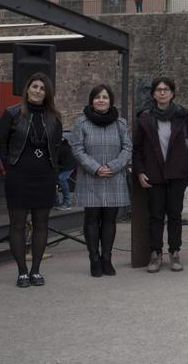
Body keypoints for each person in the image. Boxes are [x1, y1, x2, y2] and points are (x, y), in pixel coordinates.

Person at [0, 73, 63, 288]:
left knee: (41, 223)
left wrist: (54, 170)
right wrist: (11, 166)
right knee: (17, 223)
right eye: (34, 86)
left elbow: (57, 147)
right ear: (27, 89)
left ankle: (35, 270)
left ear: (47, 93)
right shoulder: (12, 113)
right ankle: (22, 272)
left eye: (42, 88)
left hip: (45, 174)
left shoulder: (54, 116)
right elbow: (2, 143)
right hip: (19, 175)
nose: (37, 91)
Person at [132, 77, 188, 274]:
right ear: (153, 94)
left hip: (177, 173)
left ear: (172, 93)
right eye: (159, 90)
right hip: (154, 173)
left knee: (175, 215)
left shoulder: (182, 114)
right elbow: (136, 149)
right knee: (155, 215)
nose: (162, 93)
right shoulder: (145, 117)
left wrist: (185, 157)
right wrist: (139, 171)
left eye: (166, 90)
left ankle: (174, 252)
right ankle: (155, 253)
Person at [70, 84, 133, 278]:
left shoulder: (120, 124)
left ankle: (107, 258)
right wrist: (95, 168)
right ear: (91, 100)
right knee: (91, 218)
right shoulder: (81, 123)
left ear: (110, 101)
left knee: (109, 220)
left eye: (105, 97)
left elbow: (128, 148)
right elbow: (77, 149)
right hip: (91, 177)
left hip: (114, 177)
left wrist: (113, 167)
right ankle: (94, 260)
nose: (101, 100)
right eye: (97, 97)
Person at [55, 137, 76, 211]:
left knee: (62, 179)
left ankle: (67, 203)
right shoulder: (58, 145)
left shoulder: (61, 146)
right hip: (61, 164)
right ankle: (55, 202)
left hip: (69, 165)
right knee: (52, 180)